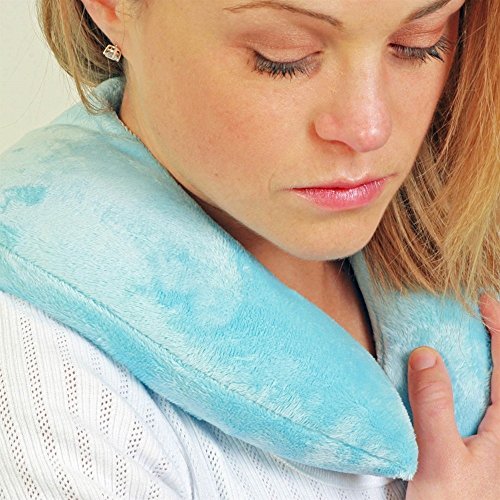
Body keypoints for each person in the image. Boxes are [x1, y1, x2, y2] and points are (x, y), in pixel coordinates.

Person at [0, 0, 498, 498]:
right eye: (283, 56)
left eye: (418, 44)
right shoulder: (41, 373)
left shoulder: (473, 235)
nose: (369, 130)